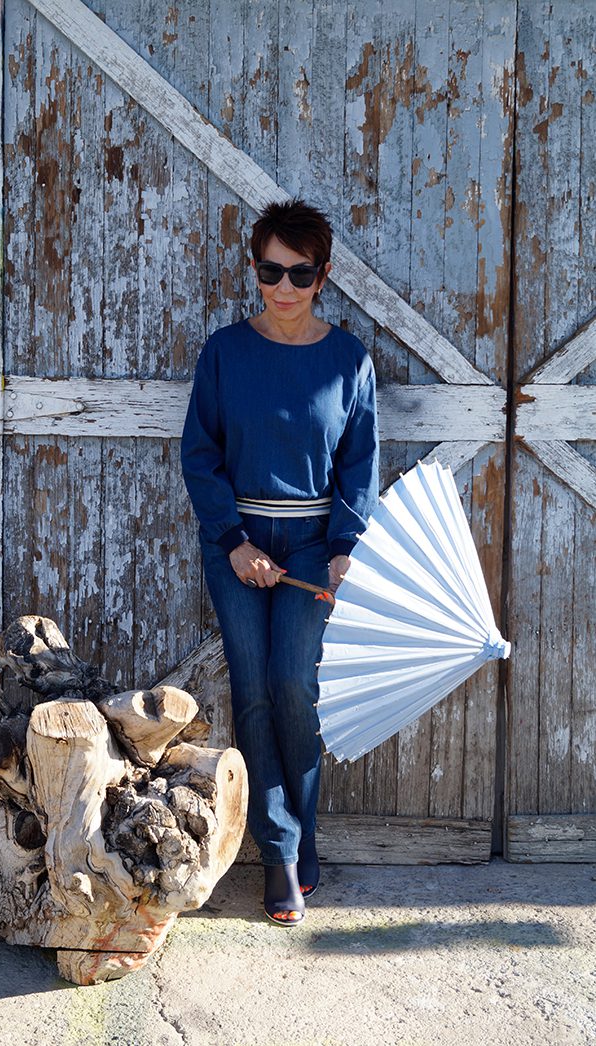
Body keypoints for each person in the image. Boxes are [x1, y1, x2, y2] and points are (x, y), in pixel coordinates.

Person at [181, 198, 379, 925]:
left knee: (295, 686)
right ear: (256, 270)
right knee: (255, 688)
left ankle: (302, 831)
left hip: (311, 550)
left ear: (323, 276)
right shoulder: (225, 353)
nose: (285, 288)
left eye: (301, 273)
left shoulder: (350, 361)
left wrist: (343, 551)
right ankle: (281, 853)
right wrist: (234, 542)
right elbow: (199, 455)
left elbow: (359, 467)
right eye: (271, 271)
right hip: (237, 539)